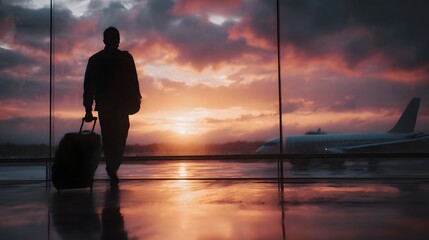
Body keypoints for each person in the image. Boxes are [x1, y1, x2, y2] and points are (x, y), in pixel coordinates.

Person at [83, 27, 141, 189]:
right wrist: (136, 101)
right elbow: (133, 82)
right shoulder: (125, 59)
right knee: (120, 136)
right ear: (118, 40)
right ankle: (113, 166)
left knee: (109, 137)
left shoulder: (95, 60)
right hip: (121, 105)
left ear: (104, 41)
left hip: (104, 105)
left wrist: (88, 108)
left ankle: (112, 165)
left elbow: (88, 87)